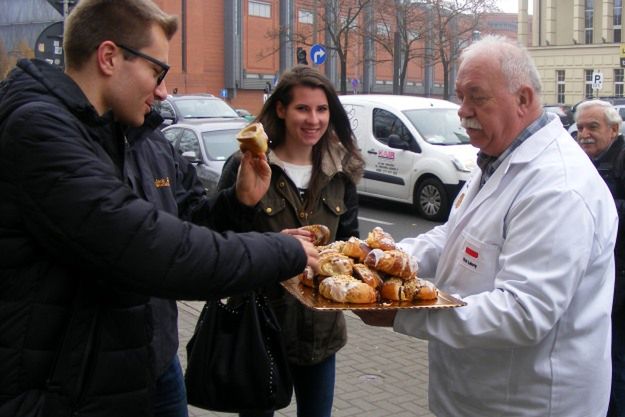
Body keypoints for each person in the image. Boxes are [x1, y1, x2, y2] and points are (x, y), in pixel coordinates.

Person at [0, 1, 319, 417]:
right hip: (68, 386)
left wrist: (237, 202)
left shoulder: (145, 139)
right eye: (157, 71)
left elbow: (189, 222)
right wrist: (281, 253)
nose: (165, 90)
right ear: (109, 57)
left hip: (151, 362)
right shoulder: (38, 132)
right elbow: (151, 248)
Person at [355, 35, 618, 417]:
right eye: (460, 96)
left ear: (523, 100)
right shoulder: (496, 158)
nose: (462, 111)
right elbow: (455, 234)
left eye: (477, 97)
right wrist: (390, 257)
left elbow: (523, 311)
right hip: (472, 396)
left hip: (527, 403)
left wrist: (402, 314)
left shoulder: (558, 187)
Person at [218, 65, 365, 417]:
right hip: (258, 328)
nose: (313, 119)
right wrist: (274, 248)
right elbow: (220, 241)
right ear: (281, 109)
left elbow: (350, 245)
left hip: (320, 334)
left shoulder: (342, 172)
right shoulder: (247, 164)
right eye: (303, 108)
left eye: (322, 109)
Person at [574, 99, 625, 417]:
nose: (584, 134)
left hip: (619, 290)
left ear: (614, 129)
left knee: (616, 365)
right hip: (599, 285)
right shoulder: (583, 162)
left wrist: (597, 210)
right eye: (580, 128)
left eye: (593, 127)